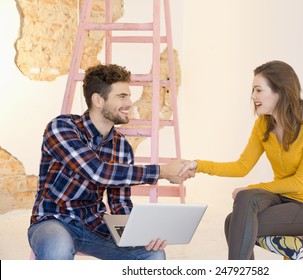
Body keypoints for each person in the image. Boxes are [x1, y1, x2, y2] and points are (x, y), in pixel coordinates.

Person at [28, 64, 192, 260]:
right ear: (98, 100)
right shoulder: (61, 127)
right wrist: (162, 171)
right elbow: (97, 172)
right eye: (122, 96)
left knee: (154, 254)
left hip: (94, 226)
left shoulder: (121, 146)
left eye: (129, 96)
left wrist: (140, 233)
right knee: (58, 246)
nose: (130, 103)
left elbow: (119, 202)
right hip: (53, 220)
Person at [179, 60, 303, 260]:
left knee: (233, 222)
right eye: (252, 90)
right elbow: (242, 167)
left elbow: (299, 182)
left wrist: (253, 187)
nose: (252, 96)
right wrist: (198, 165)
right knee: (243, 202)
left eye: (258, 90)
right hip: (282, 198)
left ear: (280, 91)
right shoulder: (264, 124)